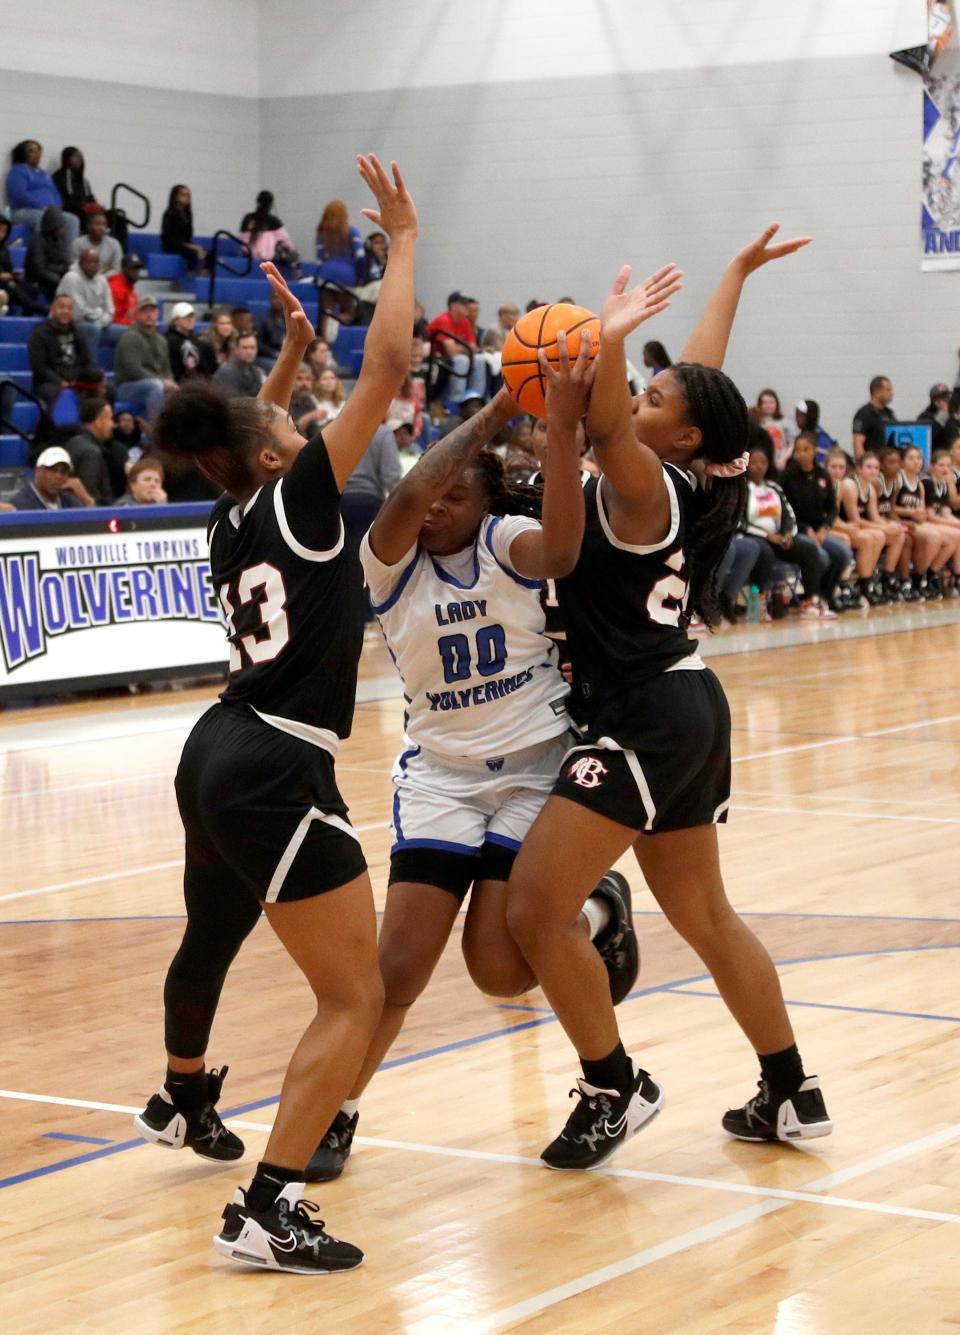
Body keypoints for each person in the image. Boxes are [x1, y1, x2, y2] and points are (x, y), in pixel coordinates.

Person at [131, 154, 418, 1277]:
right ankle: (267, 1205)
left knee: (222, 933)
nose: (304, 431)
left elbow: (254, 429)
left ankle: (187, 1093)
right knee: (358, 995)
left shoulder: (230, 513)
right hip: (274, 757)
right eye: (290, 428)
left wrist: (292, 352)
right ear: (267, 459)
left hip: (216, 747)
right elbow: (389, 367)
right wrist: (400, 238)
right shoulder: (298, 497)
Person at [501, 225, 832, 1173]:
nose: (640, 395)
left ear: (679, 435)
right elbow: (698, 380)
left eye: (654, 397)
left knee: (534, 908)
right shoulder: (692, 466)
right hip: (681, 705)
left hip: (645, 712)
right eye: (639, 387)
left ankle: (613, 1084)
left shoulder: (643, 487)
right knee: (706, 916)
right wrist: (732, 275)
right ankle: (790, 1086)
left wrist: (603, 340)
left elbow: (610, 424)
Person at [307, 350, 639, 1184]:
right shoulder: (390, 558)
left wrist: (554, 425)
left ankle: (593, 912)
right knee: (396, 968)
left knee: (501, 968)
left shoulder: (508, 542)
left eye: (460, 494)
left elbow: (563, 551)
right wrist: (492, 413)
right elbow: (411, 494)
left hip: (532, 770)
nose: (437, 507)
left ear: (488, 500)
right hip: (442, 777)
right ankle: (337, 1112)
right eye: (433, 491)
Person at [724, 445, 830, 622]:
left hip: (779, 537)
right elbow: (739, 521)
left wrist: (788, 533)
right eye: (754, 463)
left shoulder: (774, 487)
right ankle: (760, 603)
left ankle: (810, 602)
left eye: (763, 462)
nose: (759, 466)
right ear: (746, 464)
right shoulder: (740, 488)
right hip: (754, 537)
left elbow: (789, 514)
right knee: (764, 551)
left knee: (809, 550)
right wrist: (767, 536)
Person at [339, 420, 402, 630]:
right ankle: (364, 617)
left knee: (342, 562)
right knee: (365, 562)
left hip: (336, 501)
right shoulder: (383, 433)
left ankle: (344, 615)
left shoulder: (340, 427)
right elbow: (392, 477)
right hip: (368, 502)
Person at [782, 433, 850, 612]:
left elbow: (833, 509)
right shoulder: (788, 476)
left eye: (806, 449)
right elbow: (784, 510)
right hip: (797, 530)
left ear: (814, 451)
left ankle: (825, 594)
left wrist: (825, 529)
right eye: (798, 450)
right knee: (822, 556)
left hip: (819, 530)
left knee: (843, 554)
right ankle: (812, 597)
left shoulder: (823, 475)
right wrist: (806, 529)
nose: (802, 454)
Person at [825, 447, 885, 606]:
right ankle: (843, 587)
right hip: (820, 528)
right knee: (859, 539)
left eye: (841, 467)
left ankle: (865, 584)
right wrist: (846, 527)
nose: (838, 471)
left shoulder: (839, 485)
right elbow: (828, 518)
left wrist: (889, 526)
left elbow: (834, 517)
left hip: (837, 526)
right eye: (833, 467)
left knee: (878, 536)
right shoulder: (841, 486)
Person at [894, 444, 954, 599]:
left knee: (948, 540)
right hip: (899, 521)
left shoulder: (919, 484)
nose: (916, 461)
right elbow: (890, 509)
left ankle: (923, 577)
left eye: (919, 458)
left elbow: (921, 512)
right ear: (902, 461)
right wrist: (910, 512)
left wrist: (919, 515)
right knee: (934, 537)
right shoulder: (898, 479)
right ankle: (915, 579)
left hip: (915, 522)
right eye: (911, 458)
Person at [851, 451, 909, 602]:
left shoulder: (869, 488)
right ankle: (864, 583)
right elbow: (855, 520)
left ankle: (886, 579)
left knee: (899, 535)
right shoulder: (851, 486)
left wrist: (892, 525)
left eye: (876, 468)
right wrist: (883, 528)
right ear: (859, 468)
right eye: (869, 467)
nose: (873, 471)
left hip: (864, 526)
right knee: (878, 535)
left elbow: (875, 516)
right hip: (850, 527)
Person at [27, 293, 100, 407]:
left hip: (75, 380)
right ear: (53, 309)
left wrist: (87, 378)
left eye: (69, 308)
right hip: (48, 383)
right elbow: (39, 367)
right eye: (61, 307)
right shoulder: (39, 333)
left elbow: (86, 361)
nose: (65, 311)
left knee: (105, 388)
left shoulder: (77, 332)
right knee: (60, 394)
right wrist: (60, 382)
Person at [114, 295, 177, 421]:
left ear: (158, 313)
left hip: (154, 384)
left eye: (152, 311)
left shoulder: (161, 340)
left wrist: (171, 382)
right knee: (156, 386)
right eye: (145, 311)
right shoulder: (131, 336)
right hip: (127, 387)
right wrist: (162, 382)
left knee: (179, 392)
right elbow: (133, 370)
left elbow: (167, 369)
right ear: (137, 314)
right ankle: (155, 431)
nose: (149, 314)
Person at [6, 140, 80, 245]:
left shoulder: (44, 174)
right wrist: (41, 207)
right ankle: (41, 251)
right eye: (31, 151)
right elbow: (20, 196)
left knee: (73, 220)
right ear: (23, 153)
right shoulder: (17, 171)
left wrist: (56, 208)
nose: (37, 154)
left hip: (48, 211)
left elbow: (55, 193)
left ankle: (69, 257)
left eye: (38, 151)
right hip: (23, 211)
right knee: (44, 218)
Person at [877, 446, 922, 602]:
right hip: (872, 523)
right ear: (882, 465)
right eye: (891, 462)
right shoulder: (877, 483)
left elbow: (890, 511)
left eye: (897, 462)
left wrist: (903, 522)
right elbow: (873, 514)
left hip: (883, 521)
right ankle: (891, 579)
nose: (896, 466)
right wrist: (895, 524)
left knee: (908, 535)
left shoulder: (895, 482)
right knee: (903, 537)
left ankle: (904, 580)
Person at [426, 291, 488, 401]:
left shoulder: (464, 321)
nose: (467, 307)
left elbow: (473, 348)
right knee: (461, 360)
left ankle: (476, 399)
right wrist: (465, 348)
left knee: (480, 359)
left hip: (451, 357)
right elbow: (452, 351)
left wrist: (462, 348)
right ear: (453, 306)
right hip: (436, 357)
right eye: (463, 304)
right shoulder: (444, 319)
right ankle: (456, 399)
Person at [56, 249, 116, 360]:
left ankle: (123, 373)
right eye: (89, 262)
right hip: (71, 325)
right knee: (92, 330)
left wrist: (101, 321)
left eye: (96, 262)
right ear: (80, 263)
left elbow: (111, 310)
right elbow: (79, 312)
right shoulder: (72, 278)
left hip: (99, 324)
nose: (93, 265)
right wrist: (99, 314)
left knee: (126, 332)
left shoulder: (102, 279)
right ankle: (90, 370)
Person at [64, 395, 115, 505]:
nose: (113, 425)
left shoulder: (73, 441)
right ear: (98, 421)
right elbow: (89, 494)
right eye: (110, 419)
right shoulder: (91, 453)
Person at [8, 445, 92, 510]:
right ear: (38, 471)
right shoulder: (21, 504)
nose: (58, 476)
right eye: (52, 470)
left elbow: (93, 527)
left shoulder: (69, 499)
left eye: (63, 472)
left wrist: (86, 499)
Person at [924, 450, 960, 594]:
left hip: (936, 521)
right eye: (941, 465)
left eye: (948, 465)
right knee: (956, 534)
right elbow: (931, 516)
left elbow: (946, 513)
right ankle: (929, 573)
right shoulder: (927, 482)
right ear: (932, 466)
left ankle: (956, 576)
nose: (945, 469)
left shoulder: (943, 483)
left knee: (957, 532)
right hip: (926, 522)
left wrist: (957, 523)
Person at [0, 216, 47, 315]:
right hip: (3, 284)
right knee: (10, 286)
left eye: (4, 231)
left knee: (32, 289)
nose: (1, 235)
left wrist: (13, 275)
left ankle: (28, 315)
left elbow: (8, 268)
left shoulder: (4, 248)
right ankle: (37, 307)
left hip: (7, 281)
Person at [315, 199, 365, 284]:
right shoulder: (353, 232)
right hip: (347, 274)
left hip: (326, 273)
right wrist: (361, 277)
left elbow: (319, 259)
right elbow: (360, 256)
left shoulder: (322, 234)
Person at [25, 207, 70, 300]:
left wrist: (56, 271)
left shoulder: (61, 241)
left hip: (56, 277)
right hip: (38, 281)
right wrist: (58, 279)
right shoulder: (37, 240)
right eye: (59, 227)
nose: (62, 230)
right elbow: (38, 269)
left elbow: (66, 263)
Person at [239, 190, 295, 264]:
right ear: (271, 205)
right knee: (273, 238)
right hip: (265, 260)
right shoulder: (274, 221)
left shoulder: (247, 218)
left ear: (257, 202)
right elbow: (286, 242)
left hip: (247, 258)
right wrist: (293, 253)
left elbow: (241, 238)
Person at [166, 302, 217, 382]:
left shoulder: (199, 342)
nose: (191, 320)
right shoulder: (168, 340)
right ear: (176, 321)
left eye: (192, 317)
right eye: (186, 317)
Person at [161, 185, 206, 272]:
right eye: (183, 195)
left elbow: (188, 236)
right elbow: (172, 239)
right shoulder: (170, 214)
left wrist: (193, 246)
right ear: (175, 197)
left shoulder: (188, 215)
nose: (187, 198)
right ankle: (192, 273)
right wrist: (191, 246)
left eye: (188, 195)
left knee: (209, 254)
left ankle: (203, 274)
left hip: (185, 245)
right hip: (172, 247)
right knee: (195, 254)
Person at [852, 376, 896, 461]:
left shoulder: (889, 413)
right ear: (877, 392)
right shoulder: (864, 414)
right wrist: (863, 464)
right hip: (873, 463)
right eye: (888, 390)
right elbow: (858, 442)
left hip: (888, 464)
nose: (892, 393)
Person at [69, 209, 123, 278]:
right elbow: (73, 266)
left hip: (107, 280)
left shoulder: (114, 244)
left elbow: (117, 269)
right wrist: (102, 270)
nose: (102, 228)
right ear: (89, 226)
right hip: (82, 279)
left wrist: (99, 276)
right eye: (98, 224)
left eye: (104, 224)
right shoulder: (78, 243)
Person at [52, 146, 96, 223]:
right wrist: (83, 206)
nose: (79, 159)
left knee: (115, 217)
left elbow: (90, 198)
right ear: (67, 158)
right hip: (70, 210)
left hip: (85, 210)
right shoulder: (59, 176)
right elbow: (62, 199)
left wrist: (97, 207)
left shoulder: (84, 180)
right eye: (75, 156)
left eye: (80, 156)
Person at [214, 333, 266, 398]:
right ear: (236, 350)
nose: (249, 352)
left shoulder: (255, 370)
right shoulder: (227, 371)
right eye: (245, 348)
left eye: (252, 348)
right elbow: (234, 401)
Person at [756, 387, 795, 469]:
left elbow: (793, 444)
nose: (768, 405)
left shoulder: (785, 422)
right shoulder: (756, 423)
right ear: (760, 405)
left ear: (777, 404)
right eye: (765, 403)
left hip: (780, 462)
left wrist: (783, 459)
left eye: (771, 402)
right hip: (761, 464)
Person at [918, 383, 960, 453]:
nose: (948, 401)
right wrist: (942, 416)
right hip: (937, 454)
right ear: (935, 402)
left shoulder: (952, 413)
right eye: (944, 398)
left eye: (948, 397)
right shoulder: (925, 417)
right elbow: (924, 438)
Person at [794, 399, 835, 464]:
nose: (796, 419)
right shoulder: (803, 435)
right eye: (796, 415)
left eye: (800, 416)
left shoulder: (821, 439)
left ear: (810, 416)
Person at [108, 253, 144, 326]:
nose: (136, 272)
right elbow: (114, 318)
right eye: (133, 268)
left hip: (129, 327)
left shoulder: (130, 287)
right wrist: (135, 325)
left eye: (138, 269)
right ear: (123, 269)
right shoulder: (116, 287)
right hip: (117, 328)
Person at [256, 290, 287, 363]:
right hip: (267, 357)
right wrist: (274, 354)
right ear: (270, 300)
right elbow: (258, 343)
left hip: (287, 355)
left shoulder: (290, 319)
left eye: (281, 298)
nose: (278, 301)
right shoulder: (262, 320)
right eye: (275, 298)